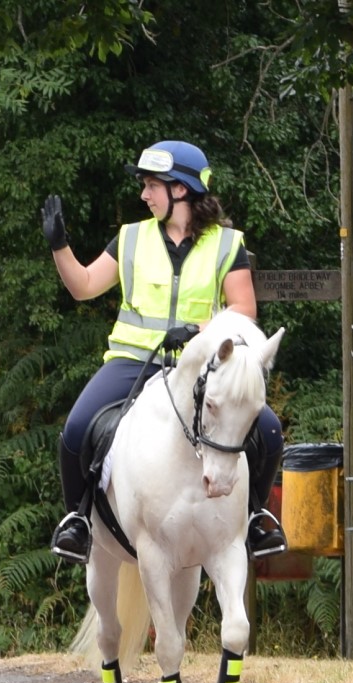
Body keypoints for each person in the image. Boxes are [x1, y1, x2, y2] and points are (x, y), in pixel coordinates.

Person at [41, 140, 286, 565]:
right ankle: (77, 521)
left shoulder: (227, 245)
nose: (144, 195)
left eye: (151, 185)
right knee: (76, 428)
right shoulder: (131, 238)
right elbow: (83, 286)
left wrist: (196, 331)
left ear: (181, 189)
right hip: (133, 360)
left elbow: (243, 308)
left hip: (197, 366)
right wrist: (59, 246)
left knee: (269, 430)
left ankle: (254, 518)